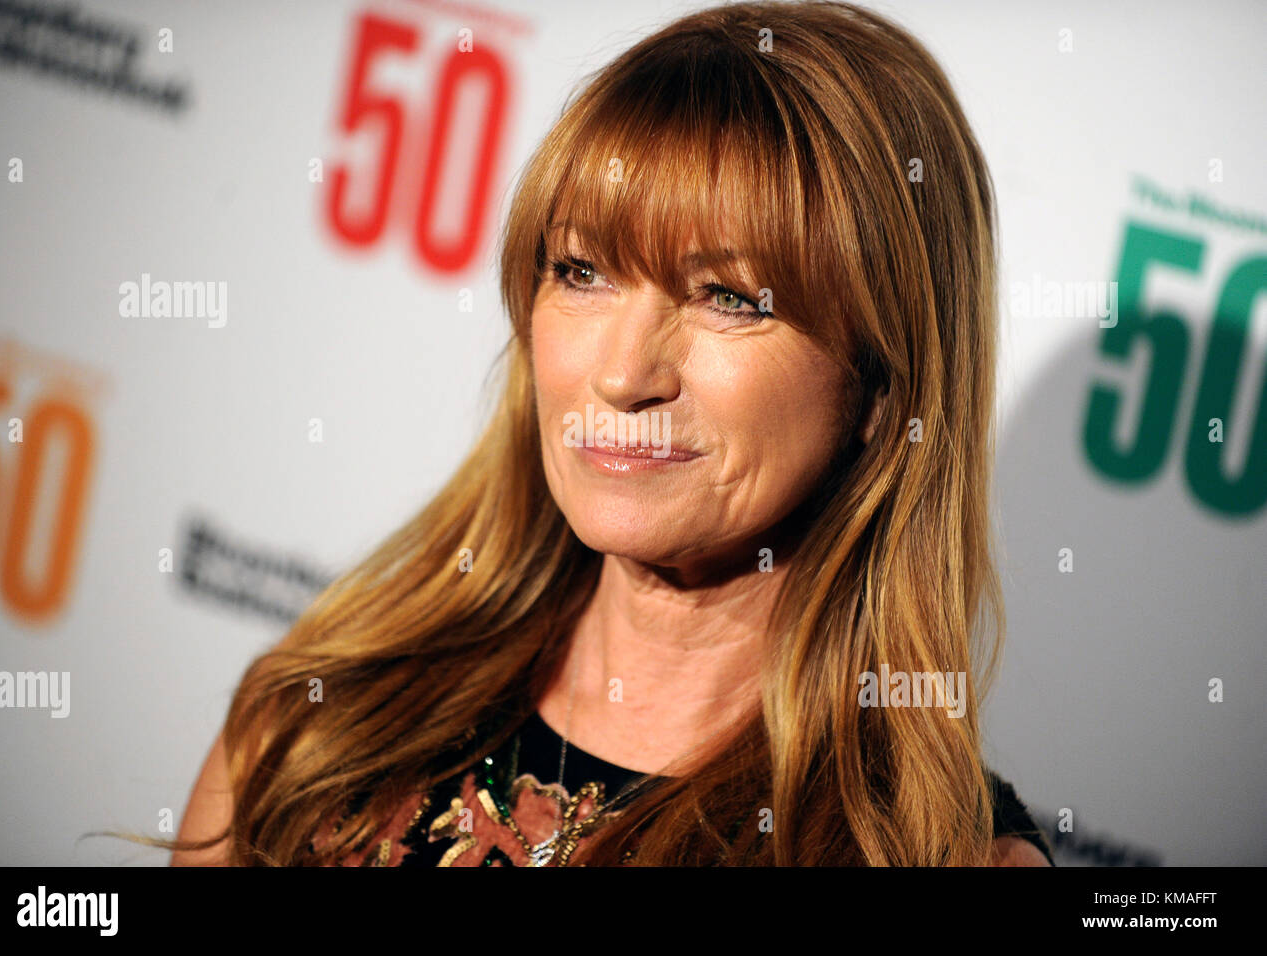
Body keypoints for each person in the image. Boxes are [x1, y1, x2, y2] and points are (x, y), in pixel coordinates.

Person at [170, 0, 1053, 866]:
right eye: (583, 271)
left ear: (880, 385)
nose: (624, 374)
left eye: (730, 298)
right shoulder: (311, 734)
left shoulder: (940, 857)